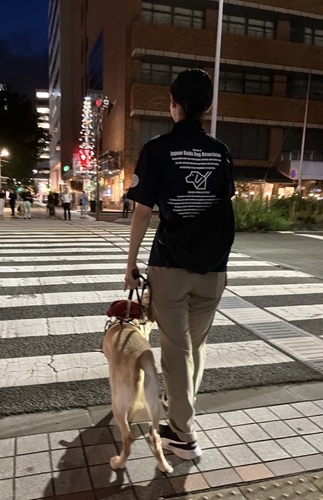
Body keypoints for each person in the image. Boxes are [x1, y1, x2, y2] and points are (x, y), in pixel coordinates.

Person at [124, 69, 235, 460]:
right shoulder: (221, 151)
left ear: (174, 104)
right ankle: (182, 408)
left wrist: (130, 263)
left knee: (175, 349)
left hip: (171, 265)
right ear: (205, 107)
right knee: (195, 344)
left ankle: (183, 434)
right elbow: (223, 202)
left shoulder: (158, 149)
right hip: (213, 268)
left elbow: (141, 213)